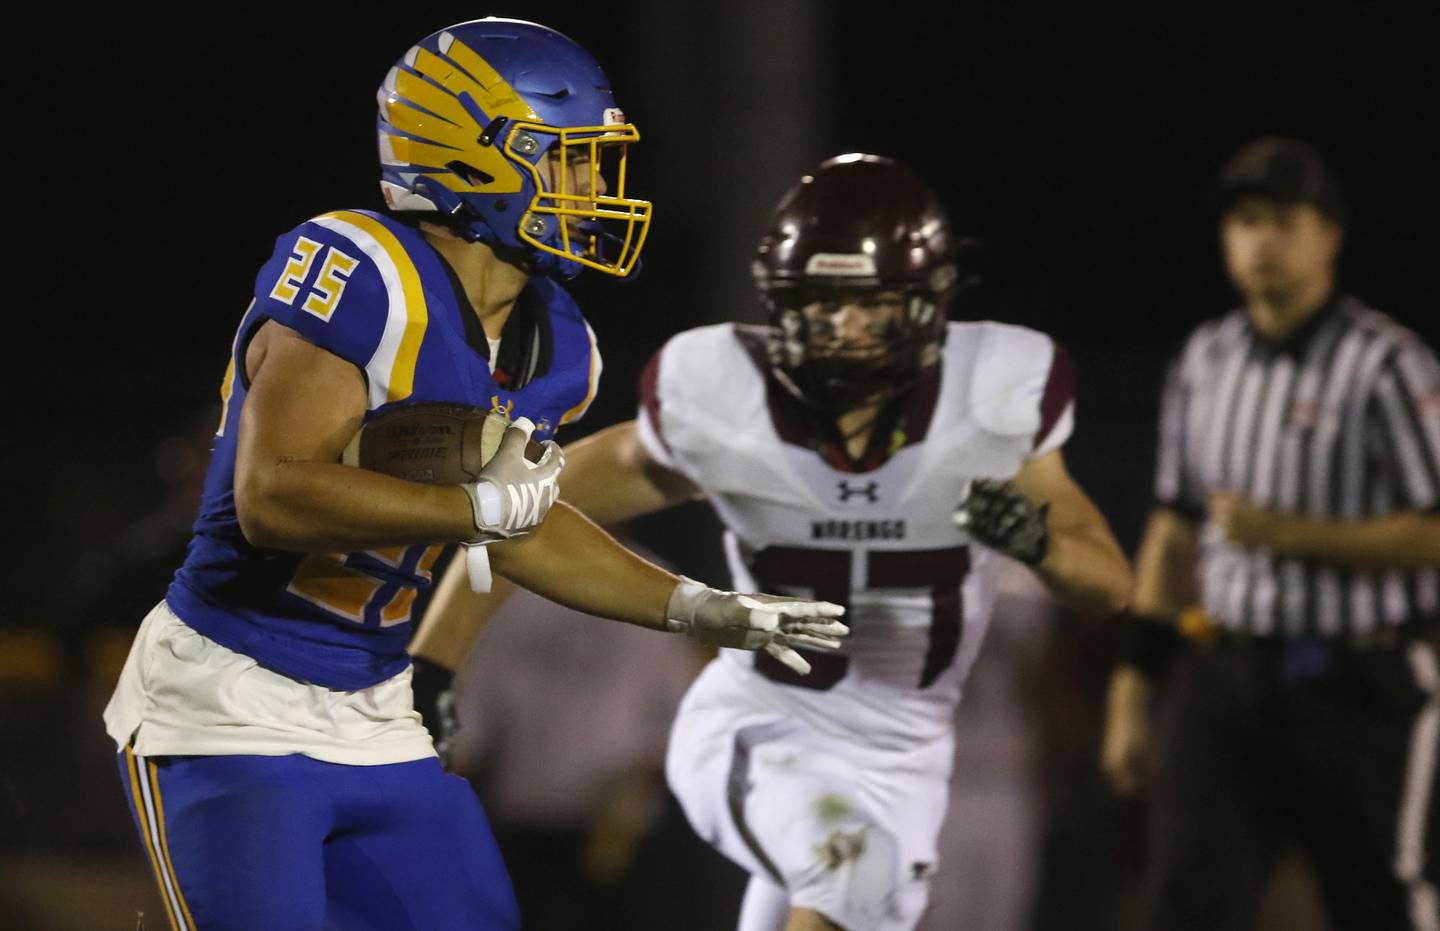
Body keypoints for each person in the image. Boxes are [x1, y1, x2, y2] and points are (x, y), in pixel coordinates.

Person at [101, 19, 844, 931]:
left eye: (590, 161)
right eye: (562, 159)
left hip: (373, 707)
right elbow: (272, 493)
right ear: (468, 155)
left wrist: (701, 607)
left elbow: (521, 522)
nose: (588, 187)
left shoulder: (560, 341)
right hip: (230, 696)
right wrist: (468, 505)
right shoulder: (361, 270)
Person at [412, 153, 1133, 931]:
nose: (845, 334)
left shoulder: (989, 402)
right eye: (820, 308)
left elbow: (1107, 581)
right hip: (759, 723)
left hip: (904, 761)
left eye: (870, 308)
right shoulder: (732, 399)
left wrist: (1038, 542)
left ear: (928, 304)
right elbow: (515, 506)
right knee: (851, 863)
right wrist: (433, 659)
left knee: (850, 875)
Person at [1100, 136, 1440, 931]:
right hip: (1227, 671)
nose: (1261, 242)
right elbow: (1173, 530)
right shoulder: (1204, 359)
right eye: (1245, 222)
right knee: (1188, 902)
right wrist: (1132, 686)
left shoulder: (1386, 365)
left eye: (1283, 221)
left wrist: (1291, 533)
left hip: (1361, 680)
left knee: (1379, 899)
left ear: (1328, 234)